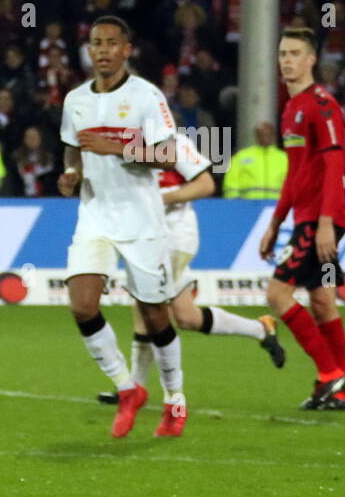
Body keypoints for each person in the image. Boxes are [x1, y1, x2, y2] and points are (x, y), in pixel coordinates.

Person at [58, 16, 203, 438]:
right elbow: (73, 151)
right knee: (82, 305)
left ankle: (175, 398)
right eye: (95, 43)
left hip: (141, 218)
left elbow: (166, 155)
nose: (102, 50)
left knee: (156, 314)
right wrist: (70, 174)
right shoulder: (75, 101)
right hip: (96, 213)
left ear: (126, 50)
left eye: (111, 43)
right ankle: (127, 389)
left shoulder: (146, 96)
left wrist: (116, 146)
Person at [98, 133, 287, 406]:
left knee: (145, 306)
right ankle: (260, 329)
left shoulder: (173, 142)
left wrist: (162, 198)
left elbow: (205, 184)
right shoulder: (127, 144)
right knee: (186, 317)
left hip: (173, 238)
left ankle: (134, 388)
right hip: (144, 238)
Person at [258, 28, 345, 410]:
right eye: (283, 52)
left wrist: (327, 223)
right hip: (307, 221)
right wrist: (275, 222)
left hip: (322, 223)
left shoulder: (322, 105)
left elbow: (335, 165)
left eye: (295, 53)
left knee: (277, 294)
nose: (287, 60)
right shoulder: (290, 108)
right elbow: (295, 174)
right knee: (322, 301)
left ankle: (331, 375)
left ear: (312, 59)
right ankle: (343, 391)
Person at [224, 122, 288, 199]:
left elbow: (292, 183)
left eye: (267, 135)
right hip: (247, 205)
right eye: (261, 135)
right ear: (256, 136)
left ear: (274, 136)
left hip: (276, 205)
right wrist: (234, 203)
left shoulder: (284, 158)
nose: (264, 138)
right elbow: (231, 183)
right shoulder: (241, 157)